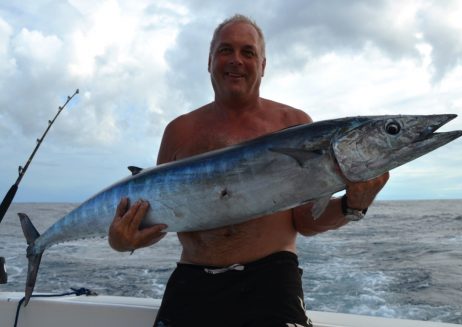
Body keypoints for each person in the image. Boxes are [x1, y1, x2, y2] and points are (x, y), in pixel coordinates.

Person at [108, 14, 389, 327]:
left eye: (248, 52)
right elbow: (161, 219)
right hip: (193, 281)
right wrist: (124, 241)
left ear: (263, 65)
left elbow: (306, 222)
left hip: (272, 279)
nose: (236, 60)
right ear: (210, 61)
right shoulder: (179, 131)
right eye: (225, 50)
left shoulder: (293, 124)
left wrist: (354, 205)